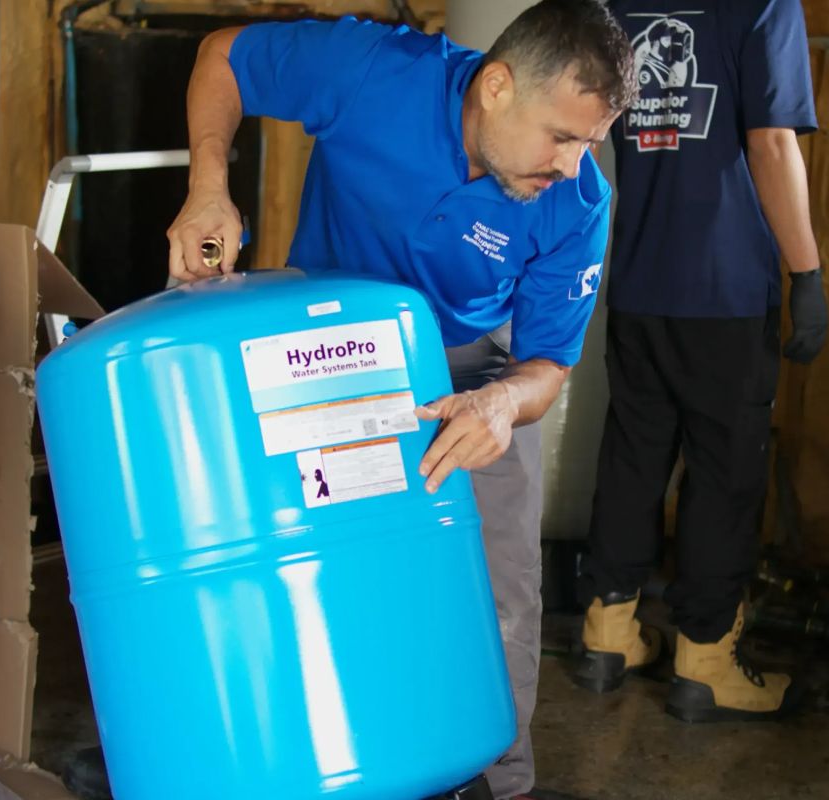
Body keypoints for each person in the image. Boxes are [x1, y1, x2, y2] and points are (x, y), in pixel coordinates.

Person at [167, 2, 635, 796]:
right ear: (496, 87)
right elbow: (224, 57)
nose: (571, 164)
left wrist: (500, 405)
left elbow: (548, 364)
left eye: (589, 142)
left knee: (501, 591)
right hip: (322, 351)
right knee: (315, 568)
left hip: (469, 370)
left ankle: (499, 782)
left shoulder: (578, 202)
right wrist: (208, 186)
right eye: (561, 136)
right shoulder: (372, 72)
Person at [573, 0, 828, 723]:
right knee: (724, 471)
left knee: (633, 454)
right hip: (726, 288)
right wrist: (806, 273)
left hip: (638, 279)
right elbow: (770, 142)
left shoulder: (614, 4)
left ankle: (608, 634)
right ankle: (706, 660)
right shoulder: (763, 5)